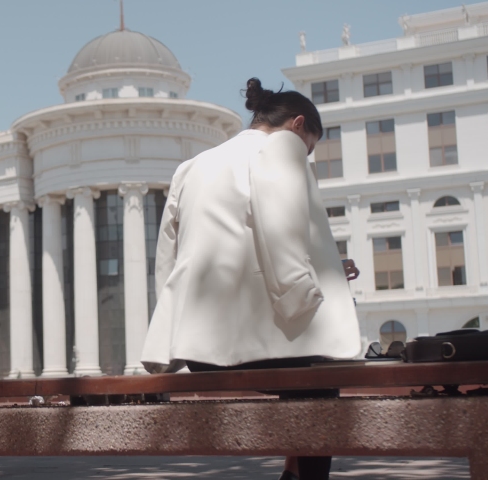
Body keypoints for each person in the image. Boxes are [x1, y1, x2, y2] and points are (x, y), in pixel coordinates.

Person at [140, 78, 362, 480]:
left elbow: (168, 259)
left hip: (198, 347)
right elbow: (279, 234)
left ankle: (293, 474)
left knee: (310, 388)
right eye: (309, 147)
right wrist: (309, 296)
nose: (306, 157)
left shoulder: (192, 166)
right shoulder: (282, 147)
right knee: (322, 386)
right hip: (256, 344)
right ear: (298, 126)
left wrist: (171, 331)